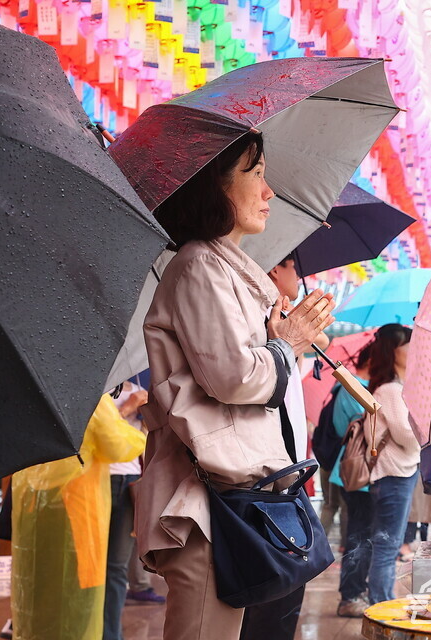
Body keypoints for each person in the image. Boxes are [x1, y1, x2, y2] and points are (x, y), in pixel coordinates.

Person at [136, 131, 335, 640]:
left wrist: (282, 338)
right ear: (215, 189)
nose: (269, 192)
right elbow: (236, 377)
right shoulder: (200, 264)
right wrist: (286, 343)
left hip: (231, 497)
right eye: (257, 174)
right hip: (208, 502)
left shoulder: (225, 268)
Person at [239, 254, 330, 640]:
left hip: (287, 472)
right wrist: (285, 338)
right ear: (276, 269)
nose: (301, 277)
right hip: (266, 475)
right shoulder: (257, 321)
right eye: (296, 267)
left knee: (286, 588)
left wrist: (294, 328)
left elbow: (323, 338)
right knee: (272, 594)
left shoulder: (279, 320)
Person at [11, 395, 145, 640]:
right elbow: (115, 443)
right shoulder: (88, 394)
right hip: (77, 502)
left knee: (40, 583)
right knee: (79, 584)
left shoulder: (22, 395)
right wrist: (143, 434)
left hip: (35, 501)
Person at [364, 324, 421, 604]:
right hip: (394, 474)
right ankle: (382, 605)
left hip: (397, 473)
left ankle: (381, 602)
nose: (413, 350)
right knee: (388, 547)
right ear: (393, 351)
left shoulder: (394, 388)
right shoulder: (390, 390)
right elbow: (408, 437)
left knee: (388, 545)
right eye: (407, 345)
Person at [103, 382, 157, 640]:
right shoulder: (97, 389)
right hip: (97, 481)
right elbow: (92, 434)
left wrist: (147, 417)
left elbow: (144, 444)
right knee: (90, 564)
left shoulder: (137, 388)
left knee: (116, 566)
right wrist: (126, 408)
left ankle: (111, 634)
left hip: (131, 482)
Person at [332, 347, 373, 618]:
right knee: (362, 535)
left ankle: (355, 590)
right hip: (362, 472)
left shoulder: (351, 387)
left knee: (361, 534)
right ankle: (351, 595)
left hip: (351, 470)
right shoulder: (358, 387)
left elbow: (339, 426)